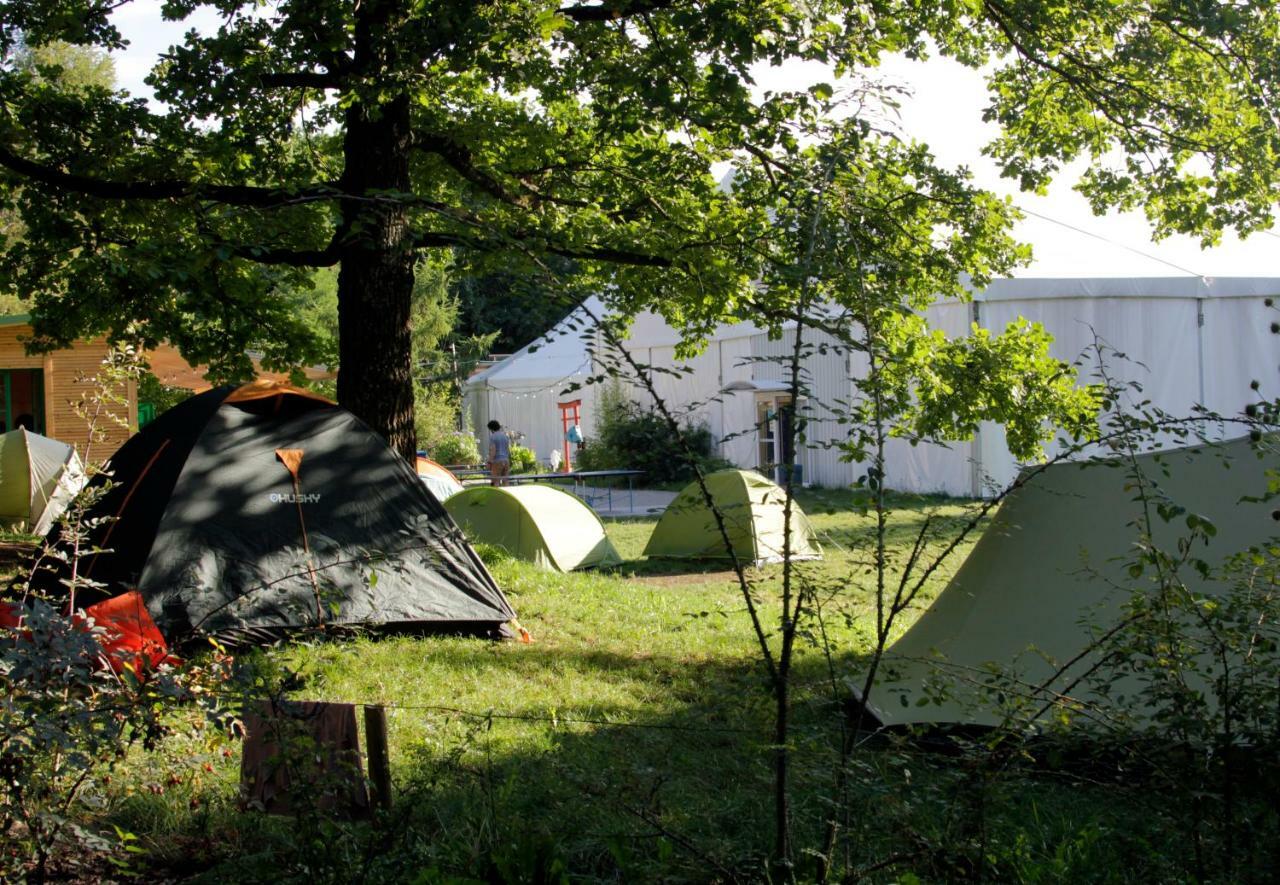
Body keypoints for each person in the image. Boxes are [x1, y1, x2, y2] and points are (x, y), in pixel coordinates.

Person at [487, 420, 511, 486]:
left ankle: (496, 496)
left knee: (496, 481)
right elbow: (508, 450)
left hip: (497, 461)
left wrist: (489, 462)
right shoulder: (505, 436)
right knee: (506, 481)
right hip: (506, 460)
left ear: (491, 429)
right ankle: (507, 495)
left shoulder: (493, 437)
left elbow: (493, 451)